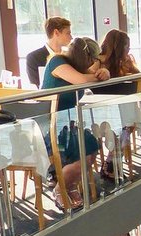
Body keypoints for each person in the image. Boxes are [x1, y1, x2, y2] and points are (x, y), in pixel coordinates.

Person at [40, 37, 109, 208]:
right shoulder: (57, 62)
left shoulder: (75, 68)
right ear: (86, 57)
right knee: (85, 154)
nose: (94, 63)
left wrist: (105, 72)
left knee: (91, 149)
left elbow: (87, 77)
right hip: (50, 128)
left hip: (69, 125)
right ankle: (60, 189)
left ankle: (69, 186)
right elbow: (81, 80)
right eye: (94, 59)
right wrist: (100, 76)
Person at [25, 16, 71, 87]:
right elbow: (37, 86)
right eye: (68, 33)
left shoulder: (70, 56)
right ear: (56, 32)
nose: (71, 37)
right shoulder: (33, 58)